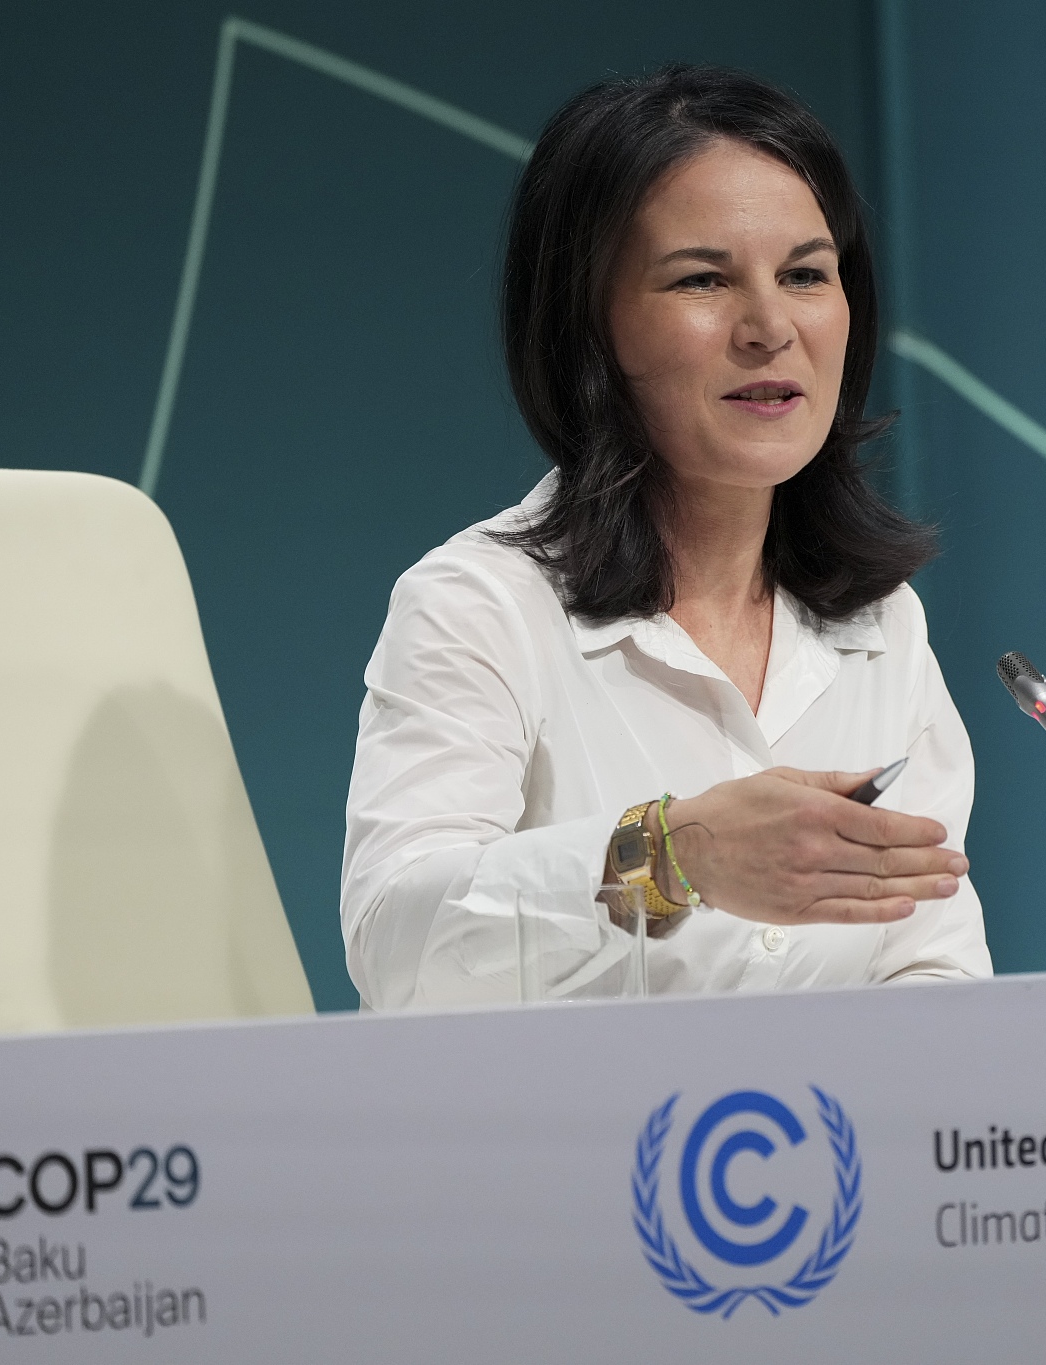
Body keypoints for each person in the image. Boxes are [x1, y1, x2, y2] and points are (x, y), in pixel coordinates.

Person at [340, 65, 990, 1007]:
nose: (771, 326)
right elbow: (399, 944)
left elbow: (932, 961)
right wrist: (673, 855)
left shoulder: (881, 625)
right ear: (590, 328)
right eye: (703, 280)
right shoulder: (481, 606)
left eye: (806, 274)